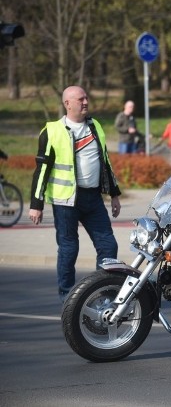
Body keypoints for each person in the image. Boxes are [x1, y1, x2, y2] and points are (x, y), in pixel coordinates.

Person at [29, 86, 121, 302]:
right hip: (65, 201)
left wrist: (114, 195)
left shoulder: (95, 126)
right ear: (67, 104)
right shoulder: (51, 131)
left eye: (87, 97)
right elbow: (41, 170)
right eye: (80, 99)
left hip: (92, 198)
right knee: (69, 248)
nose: (86, 102)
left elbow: (105, 162)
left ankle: (103, 292)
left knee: (108, 245)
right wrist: (36, 204)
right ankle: (67, 297)